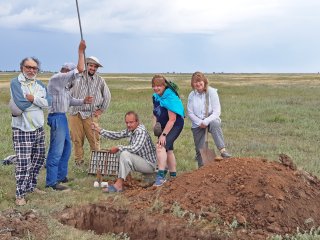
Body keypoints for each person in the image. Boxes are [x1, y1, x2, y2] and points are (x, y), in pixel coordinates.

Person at [46, 40, 93, 191]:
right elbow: (79, 69)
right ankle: (51, 182)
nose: (75, 79)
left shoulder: (65, 86)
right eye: (73, 75)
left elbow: (69, 101)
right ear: (66, 70)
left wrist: (83, 101)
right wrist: (80, 51)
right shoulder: (58, 78)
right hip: (56, 117)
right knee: (56, 149)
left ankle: (61, 176)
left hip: (62, 117)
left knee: (66, 147)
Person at [9, 57, 51, 206]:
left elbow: (48, 103)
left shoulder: (40, 84)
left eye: (34, 68)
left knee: (39, 159)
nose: (31, 70)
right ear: (22, 68)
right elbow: (20, 103)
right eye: (28, 67)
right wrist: (39, 101)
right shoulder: (16, 82)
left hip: (38, 128)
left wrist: (33, 98)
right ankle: (20, 195)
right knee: (23, 163)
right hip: (22, 129)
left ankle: (31, 187)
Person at [91, 111, 157, 192]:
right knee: (121, 152)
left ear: (137, 122)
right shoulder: (132, 129)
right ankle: (125, 179)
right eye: (127, 122)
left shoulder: (140, 131)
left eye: (131, 122)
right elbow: (117, 135)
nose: (128, 125)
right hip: (142, 160)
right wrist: (99, 130)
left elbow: (135, 148)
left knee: (124, 154)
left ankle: (119, 185)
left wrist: (119, 147)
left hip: (149, 164)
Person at [68, 56, 111, 166]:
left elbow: (107, 96)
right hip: (75, 112)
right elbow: (65, 89)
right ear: (86, 65)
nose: (93, 68)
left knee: (94, 138)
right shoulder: (75, 77)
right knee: (77, 139)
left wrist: (101, 110)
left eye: (95, 66)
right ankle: (79, 161)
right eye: (91, 65)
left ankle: (97, 162)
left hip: (90, 114)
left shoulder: (100, 80)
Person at [187, 71, 231, 168]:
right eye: (195, 82)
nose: (198, 84)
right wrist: (200, 122)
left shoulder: (212, 92)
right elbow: (190, 112)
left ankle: (222, 150)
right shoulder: (192, 95)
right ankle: (202, 169)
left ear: (204, 81)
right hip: (197, 123)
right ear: (192, 83)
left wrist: (206, 121)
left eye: (200, 81)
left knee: (215, 123)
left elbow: (217, 111)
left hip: (210, 119)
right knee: (200, 150)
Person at [152, 75, 184, 187]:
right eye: (154, 86)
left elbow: (173, 119)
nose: (156, 88)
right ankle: (173, 177)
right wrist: (155, 125)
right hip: (164, 125)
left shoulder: (170, 97)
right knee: (168, 150)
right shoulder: (156, 96)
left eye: (159, 86)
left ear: (164, 86)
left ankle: (160, 177)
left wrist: (164, 135)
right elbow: (155, 113)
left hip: (175, 124)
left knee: (160, 146)